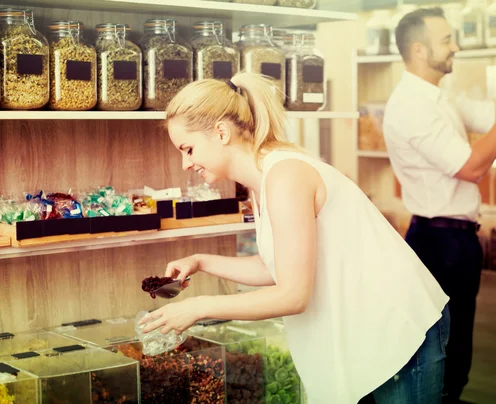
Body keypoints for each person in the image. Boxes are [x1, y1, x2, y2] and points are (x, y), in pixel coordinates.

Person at [139, 72, 450, 403]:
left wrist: (199, 307)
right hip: (369, 332)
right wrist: (201, 262)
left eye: (188, 149)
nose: (186, 164)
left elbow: (292, 295)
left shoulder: (285, 176)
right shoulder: (264, 182)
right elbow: (274, 266)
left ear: (221, 132)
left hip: (399, 333)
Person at [383, 8, 496, 404]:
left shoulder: (438, 97)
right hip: (437, 242)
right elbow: (472, 167)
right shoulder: (411, 105)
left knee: (457, 352)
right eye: (447, 40)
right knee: (443, 353)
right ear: (420, 50)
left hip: (455, 241)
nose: (456, 46)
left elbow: (495, 114)